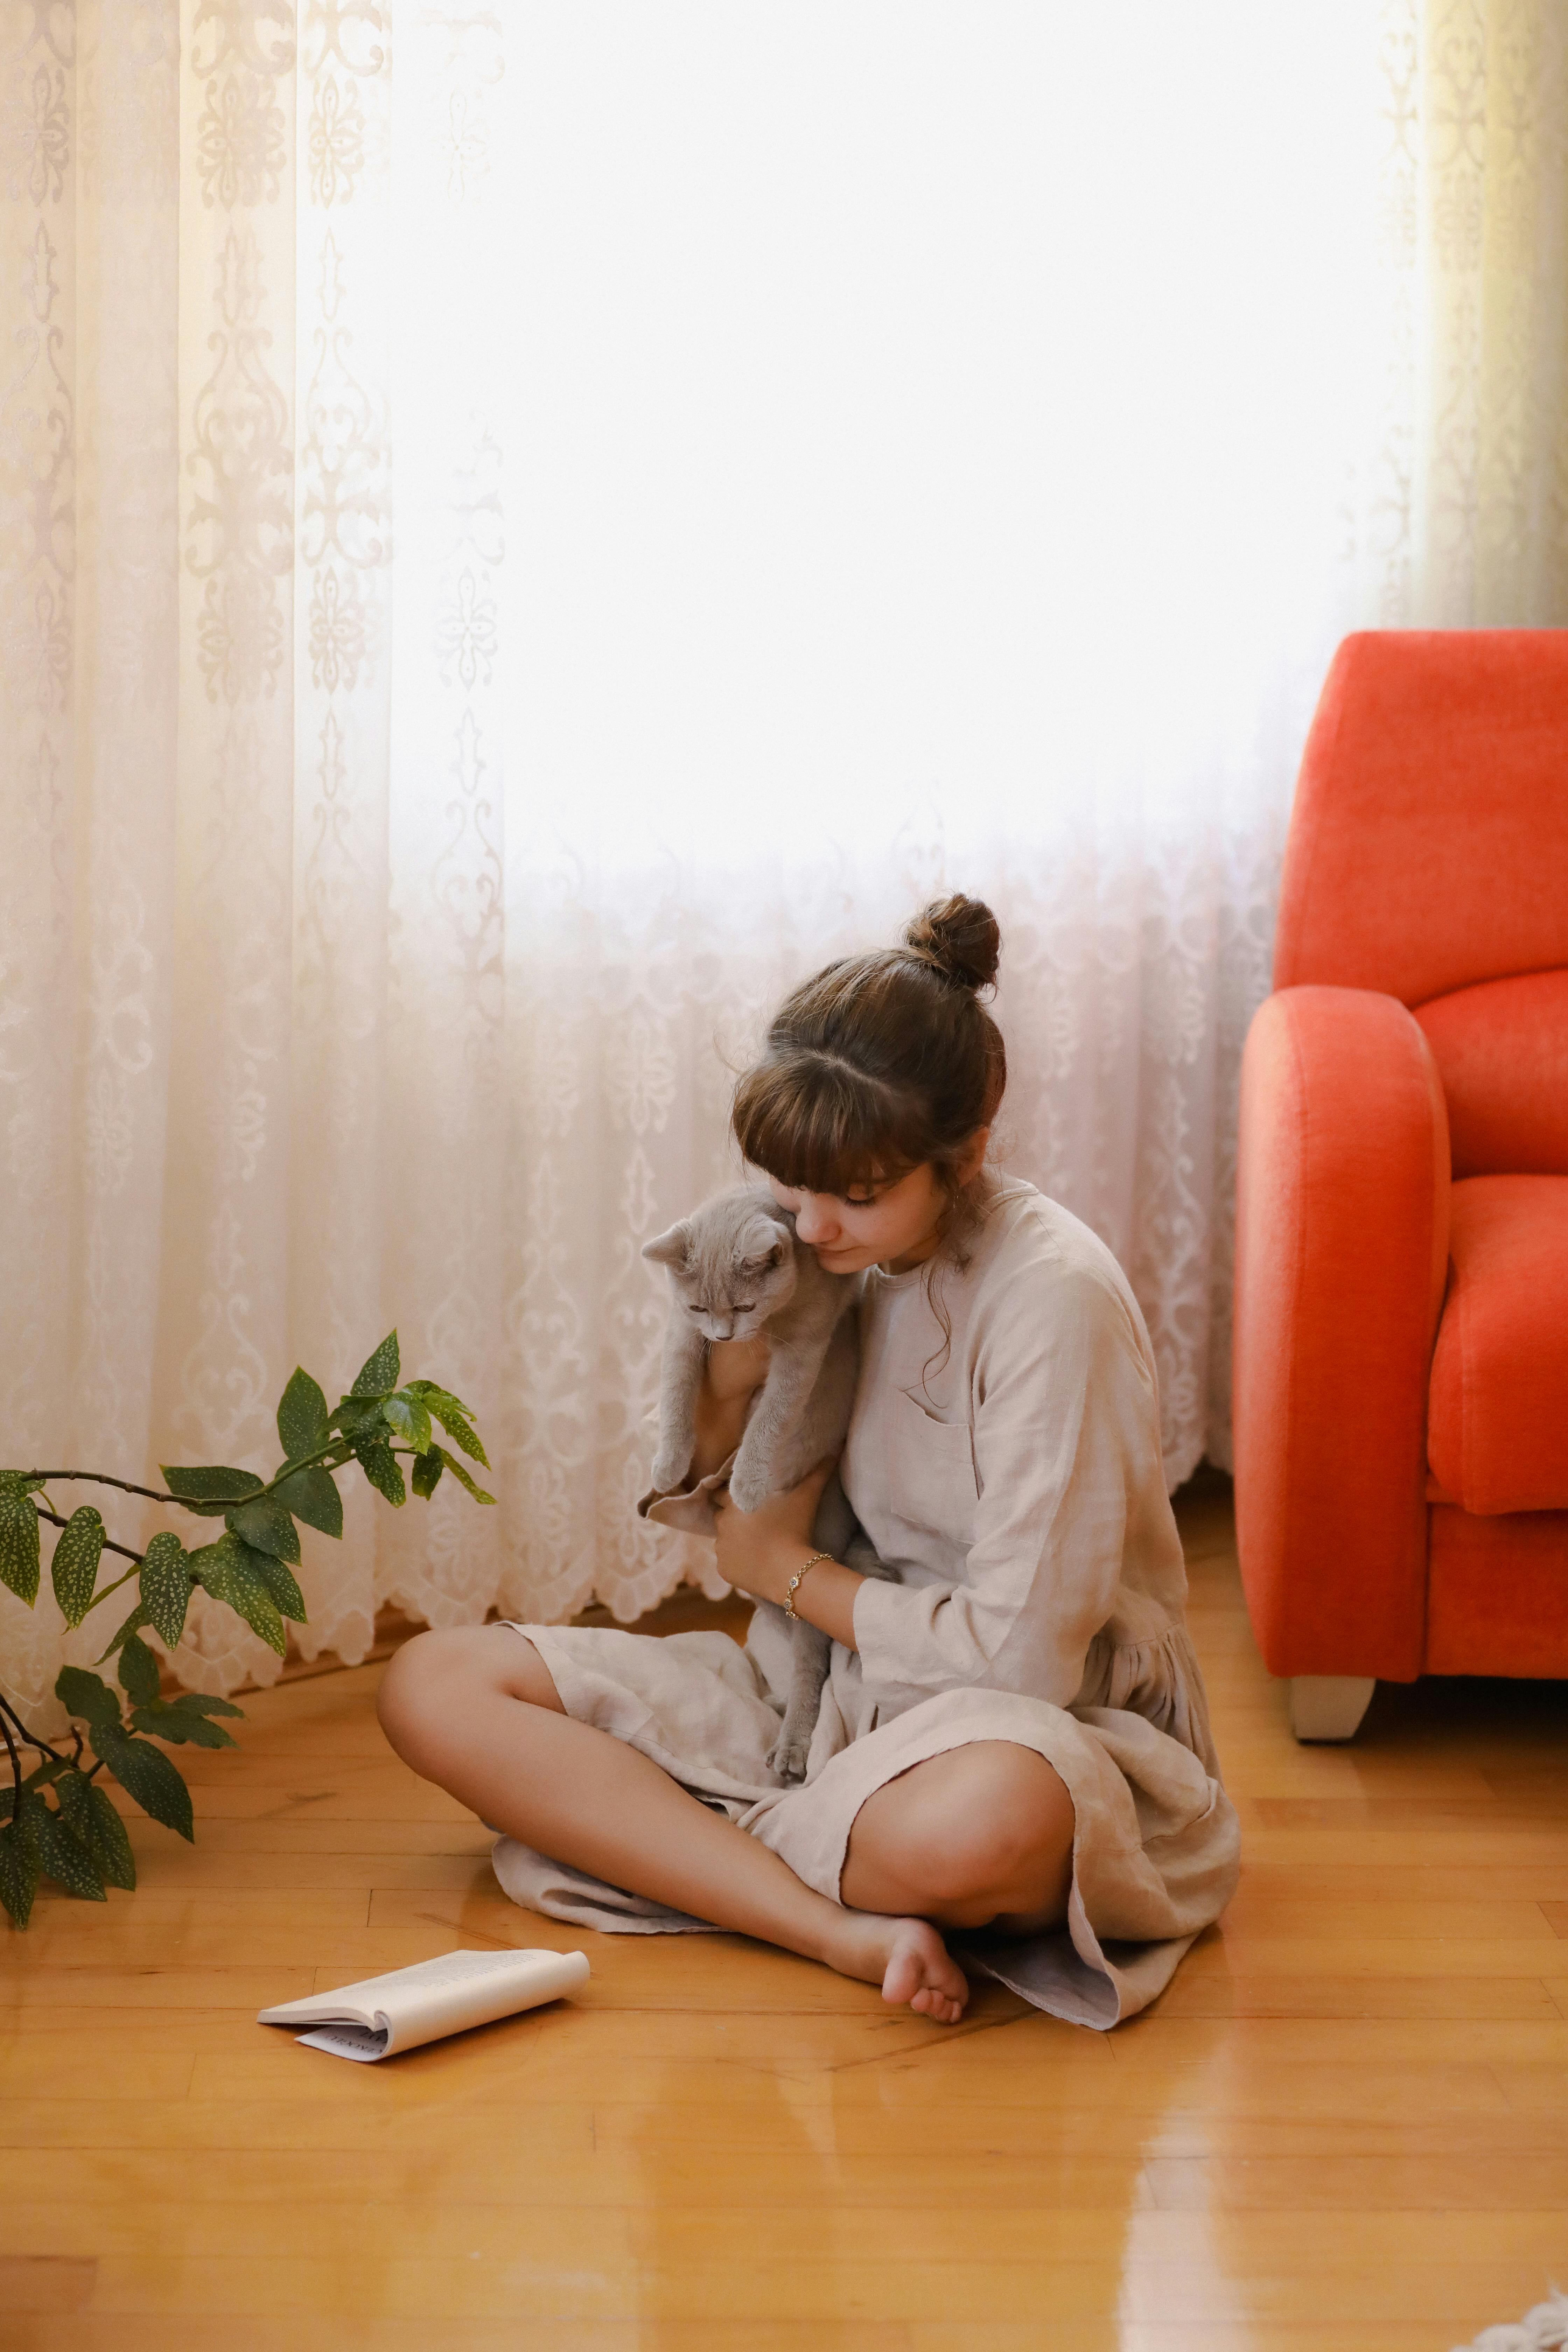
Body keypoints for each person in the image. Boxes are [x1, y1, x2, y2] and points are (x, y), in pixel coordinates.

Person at [378, 894, 1239, 2026]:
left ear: (967, 1153)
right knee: (433, 1684)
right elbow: (729, 1508)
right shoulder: (811, 1248)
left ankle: (671, 1844)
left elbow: (1020, 1660)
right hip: (827, 1698)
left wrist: (787, 1577)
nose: (817, 1225)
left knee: (988, 1825)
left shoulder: (1052, 1301)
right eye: (794, 1186)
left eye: (860, 1196)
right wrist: (736, 1377)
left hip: (1033, 1721)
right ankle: (828, 1922)